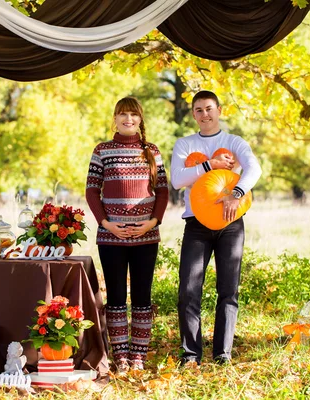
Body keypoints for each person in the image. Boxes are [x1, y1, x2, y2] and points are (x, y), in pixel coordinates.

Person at [170, 90, 261, 365]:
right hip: (196, 224)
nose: (204, 114)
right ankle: (190, 355)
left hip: (230, 225)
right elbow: (177, 180)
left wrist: (236, 193)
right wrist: (210, 165)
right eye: (198, 110)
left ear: (219, 110)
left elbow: (254, 169)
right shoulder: (184, 144)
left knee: (228, 289)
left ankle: (222, 354)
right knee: (188, 288)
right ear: (194, 114)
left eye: (209, 108)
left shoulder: (234, 142)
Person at [86, 97, 169, 373]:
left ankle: (139, 357)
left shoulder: (152, 151)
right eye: (123, 114)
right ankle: (120, 356)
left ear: (140, 119)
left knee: (143, 297)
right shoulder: (102, 151)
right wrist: (107, 224)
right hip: (111, 238)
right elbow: (91, 191)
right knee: (117, 297)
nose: (128, 119)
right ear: (115, 118)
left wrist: (151, 223)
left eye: (133, 114)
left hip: (146, 237)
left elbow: (163, 191)